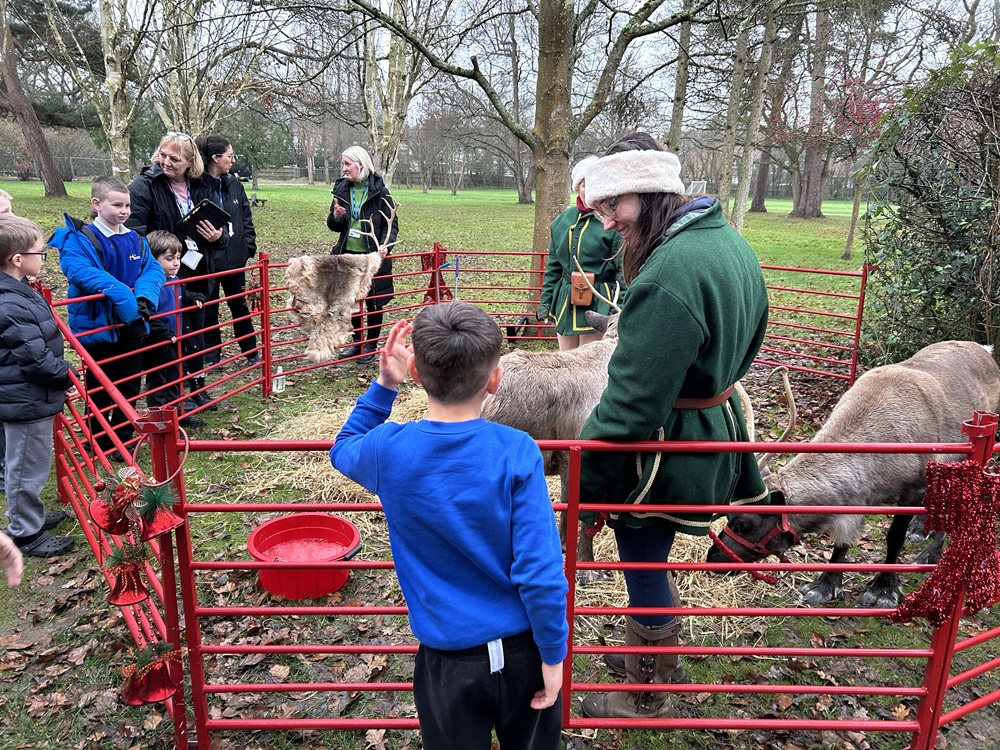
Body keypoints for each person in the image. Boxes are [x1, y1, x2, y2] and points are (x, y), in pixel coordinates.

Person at [576, 133, 770, 719]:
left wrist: (586, 482)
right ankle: (656, 654)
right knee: (651, 559)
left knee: (641, 554)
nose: (608, 224)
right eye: (601, 209)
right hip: (714, 423)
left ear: (654, 194)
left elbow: (631, 408)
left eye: (615, 207)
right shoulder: (727, 242)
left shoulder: (667, 277)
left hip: (671, 447)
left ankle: (646, 692)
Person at [330, 302, 568, 750]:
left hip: (447, 660)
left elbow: (343, 445)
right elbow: (539, 570)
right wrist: (553, 656)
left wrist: (385, 383)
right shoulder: (516, 450)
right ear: (495, 380)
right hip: (524, 653)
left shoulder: (387, 451)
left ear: (416, 372)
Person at [51, 176, 165, 458]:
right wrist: (129, 305)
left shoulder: (136, 239)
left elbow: (152, 270)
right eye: (117, 204)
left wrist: (144, 300)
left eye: (127, 205)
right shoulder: (79, 240)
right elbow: (83, 273)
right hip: (99, 327)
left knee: (129, 382)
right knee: (100, 387)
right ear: (97, 204)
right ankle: (98, 440)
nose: (124, 211)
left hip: (133, 324)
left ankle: (124, 438)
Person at [128, 132, 227, 410]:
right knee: (168, 339)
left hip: (198, 270)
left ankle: (197, 388)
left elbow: (222, 232)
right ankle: (169, 402)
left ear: (190, 162)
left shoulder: (202, 186)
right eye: (163, 155)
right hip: (164, 274)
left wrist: (217, 237)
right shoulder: (144, 187)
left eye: (175, 158)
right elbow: (135, 233)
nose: (166, 162)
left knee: (196, 333)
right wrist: (163, 250)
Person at [0, 213, 77, 557]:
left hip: (23, 394)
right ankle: (25, 533)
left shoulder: (16, 292)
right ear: (18, 260)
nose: (43, 259)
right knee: (26, 468)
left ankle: (28, 517)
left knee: (23, 463)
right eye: (40, 253)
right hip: (25, 399)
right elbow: (35, 358)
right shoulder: (10, 304)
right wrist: (65, 374)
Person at [538, 156, 623, 351]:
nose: (590, 189)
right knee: (565, 361)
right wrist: (546, 301)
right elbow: (554, 267)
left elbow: (623, 271)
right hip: (566, 302)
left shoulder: (614, 222)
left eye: (595, 184)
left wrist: (620, 309)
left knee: (589, 365)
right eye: (585, 185)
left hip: (600, 302)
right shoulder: (562, 221)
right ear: (577, 187)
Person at [326, 145, 397, 363]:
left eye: (348, 164)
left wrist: (386, 247)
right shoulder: (341, 190)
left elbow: (392, 227)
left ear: (361, 164)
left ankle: (370, 345)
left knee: (374, 302)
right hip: (348, 255)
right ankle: (357, 343)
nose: (344, 169)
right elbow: (334, 226)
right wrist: (336, 217)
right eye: (343, 164)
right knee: (353, 303)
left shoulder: (381, 192)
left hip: (373, 258)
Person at [195, 135, 260, 367]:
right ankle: (211, 356)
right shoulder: (197, 186)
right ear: (215, 158)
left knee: (239, 305)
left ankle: (251, 351)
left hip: (235, 258)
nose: (233, 160)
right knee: (209, 307)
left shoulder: (234, 185)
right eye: (230, 156)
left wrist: (247, 246)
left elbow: (246, 219)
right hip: (208, 260)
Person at [142, 231, 206, 429]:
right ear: (153, 260)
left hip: (176, 338)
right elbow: (148, 314)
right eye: (169, 259)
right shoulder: (151, 285)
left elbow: (182, 294)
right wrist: (163, 332)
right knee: (159, 381)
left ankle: (178, 414)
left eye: (177, 258)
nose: (176, 263)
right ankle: (159, 419)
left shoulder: (175, 280)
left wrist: (193, 296)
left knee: (177, 377)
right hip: (158, 342)